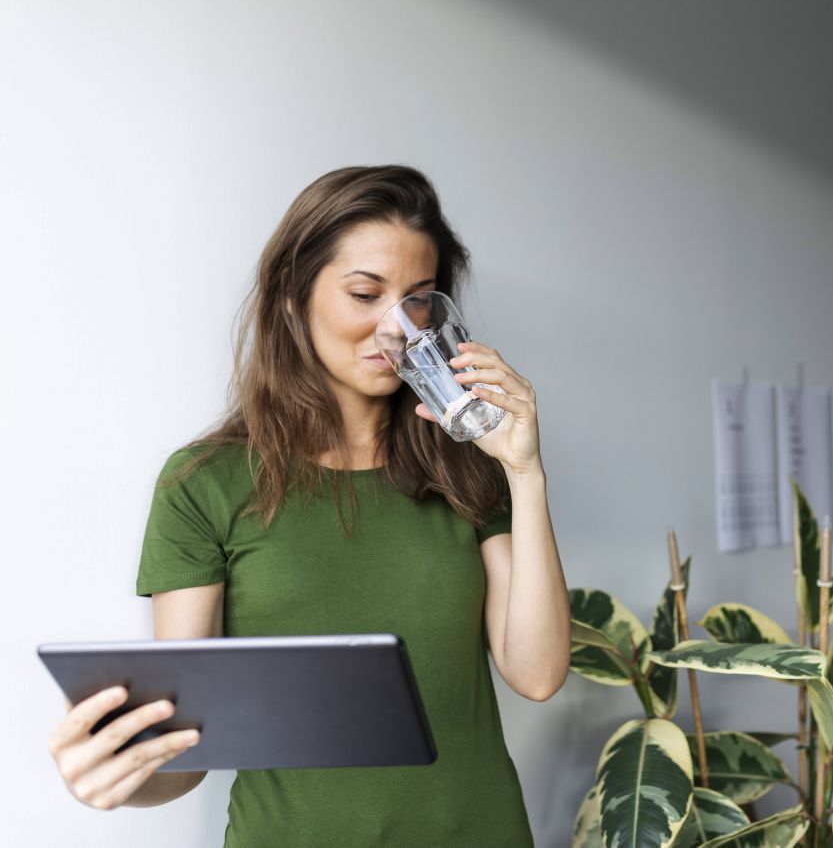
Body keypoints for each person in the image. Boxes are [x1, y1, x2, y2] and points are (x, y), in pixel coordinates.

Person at [46, 165, 570, 847]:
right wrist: (115, 775)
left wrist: (526, 471)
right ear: (295, 293)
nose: (397, 329)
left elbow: (536, 673)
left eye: (418, 300)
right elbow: (187, 744)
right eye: (364, 293)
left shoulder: (466, 463)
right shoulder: (206, 483)